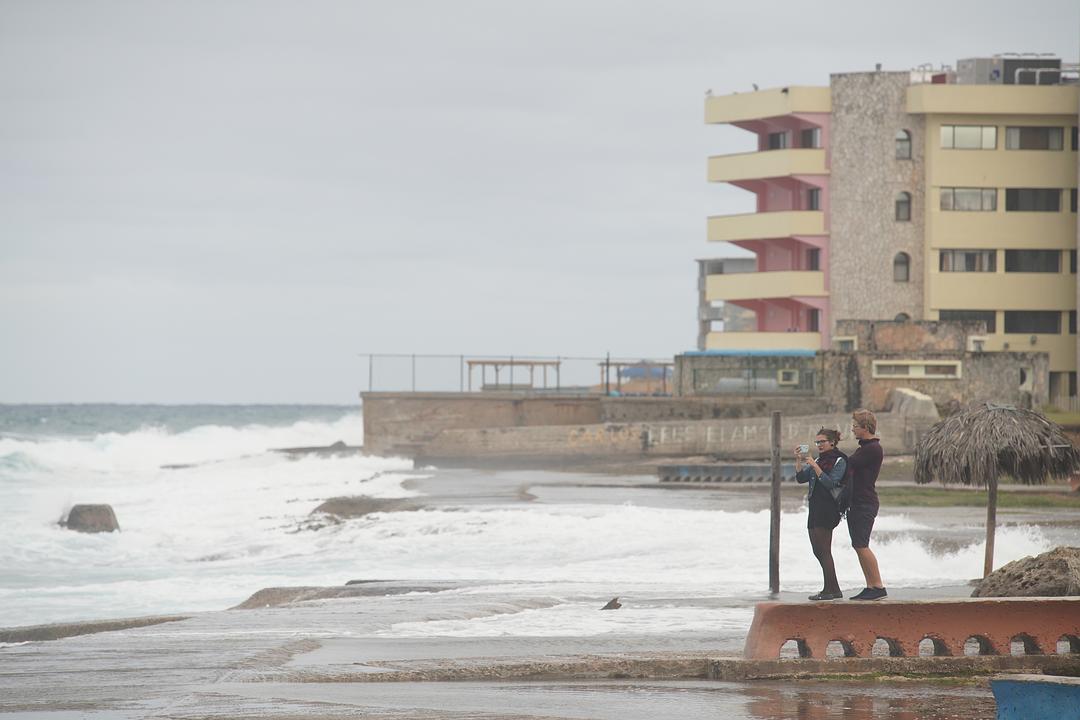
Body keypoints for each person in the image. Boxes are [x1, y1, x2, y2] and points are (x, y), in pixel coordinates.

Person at [794, 427, 847, 601]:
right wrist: (799, 460)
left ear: (832, 442)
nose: (819, 445)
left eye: (822, 442)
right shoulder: (817, 459)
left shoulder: (839, 460)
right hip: (815, 506)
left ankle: (829, 590)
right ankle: (833, 588)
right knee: (817, 550)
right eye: (817, 442)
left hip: (828, 508)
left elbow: (831, 483)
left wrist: (815, 466)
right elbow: (801, 478)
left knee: (824, 550)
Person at [846, 409, 886, 600]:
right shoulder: (865, 447)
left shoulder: (872, 449)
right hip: (858, 502)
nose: (853, 430)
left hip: (865, 502)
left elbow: (848, 464)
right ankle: (871, 585)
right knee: (858, 545)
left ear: (865, 427)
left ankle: (877, 585)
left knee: (862, 545)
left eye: (855, 426)